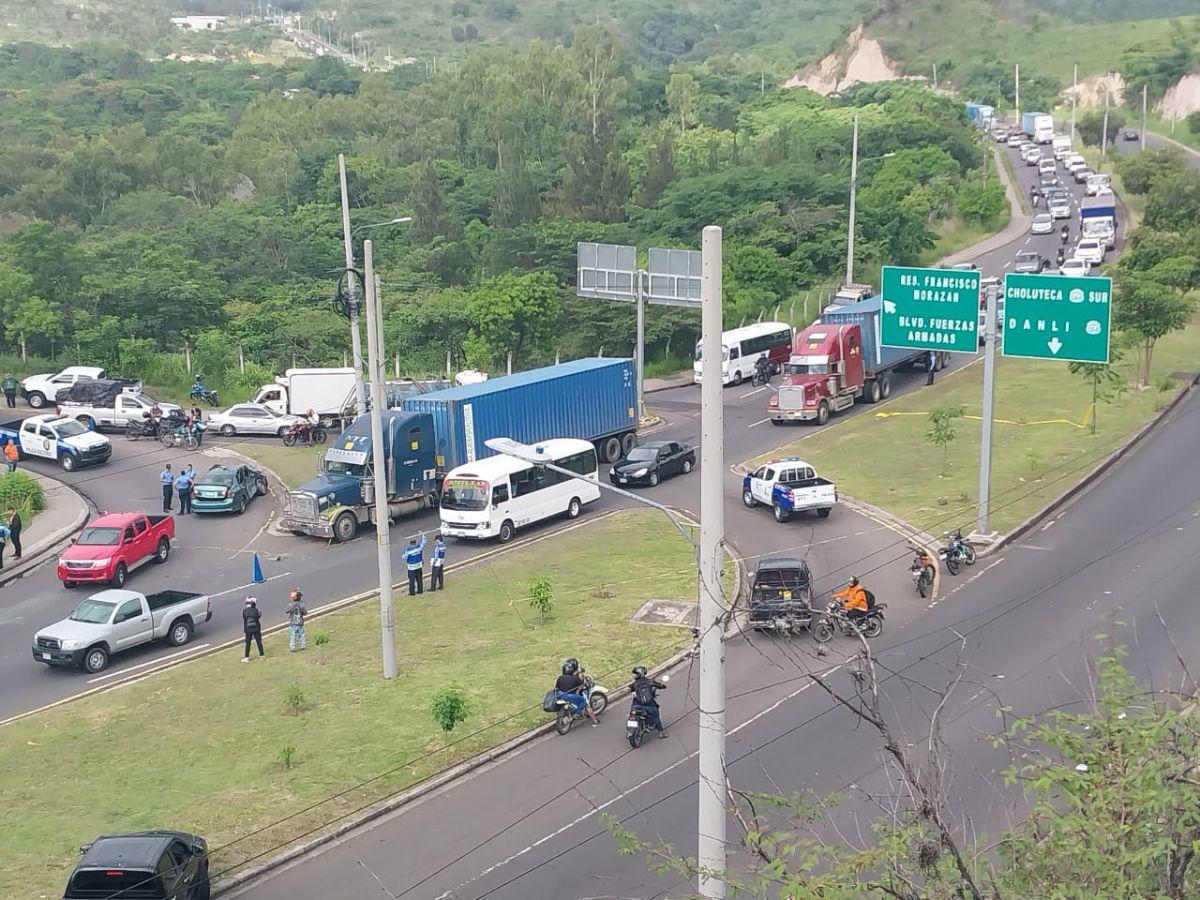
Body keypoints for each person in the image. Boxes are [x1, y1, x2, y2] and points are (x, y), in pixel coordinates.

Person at [555, 658, 598, 727]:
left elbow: (557, 687)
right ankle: (578, 714)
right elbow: (581, 684)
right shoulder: (575, 678)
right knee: (583, 701)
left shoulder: (560, 678)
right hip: (569, 696)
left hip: (560, 694)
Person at [630, 665, 668, 738]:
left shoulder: (633, 685)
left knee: (632, 711)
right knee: (656, 715)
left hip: (636, 706)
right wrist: (662, 686)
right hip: (648, 705)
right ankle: (661, 733)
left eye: (636, 674)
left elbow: (632, 692)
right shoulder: (650, 681)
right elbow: (660, 685)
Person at [241, 597, 264, 661]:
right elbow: (258, 616)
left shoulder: (244, 611)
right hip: (256, 628)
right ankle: (262, 655)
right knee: (259, 641)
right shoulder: (256, 610)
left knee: (248, 643)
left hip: (248, 629)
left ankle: (246, 657)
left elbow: (244, 617)